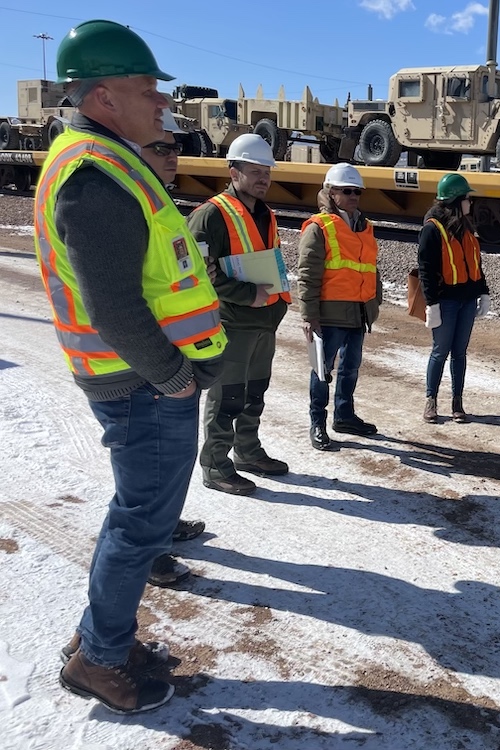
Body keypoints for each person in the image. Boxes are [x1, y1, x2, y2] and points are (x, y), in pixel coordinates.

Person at [34, 20, 226, 714]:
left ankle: (98, 637)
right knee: (141, 523)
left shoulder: (111, 161)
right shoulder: (95, 175)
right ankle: (100, 659)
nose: (161, 102)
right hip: (142, 384)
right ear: (103, 97)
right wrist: (174, 377)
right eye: (147, 88)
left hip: (146, 381)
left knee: (138, 516)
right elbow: (112, 304)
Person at [187, 133, 289, 495]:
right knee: (227, 396)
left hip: (263, 322)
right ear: (233, 171)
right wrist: (249, 295)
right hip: (231, 323)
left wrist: (276, 305)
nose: (263, 178)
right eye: (254, 171)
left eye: (267, 171)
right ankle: (215, 465)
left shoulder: (266, 214)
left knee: (254, 393)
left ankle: (248, 452)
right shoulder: (209, 216)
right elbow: (197, 276)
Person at [138, 108, 207, 586]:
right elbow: (120, 302)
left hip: (176, 360)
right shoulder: (130, 206)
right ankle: (151, 552)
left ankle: (163, 527)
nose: (173, 155)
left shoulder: (159, 202)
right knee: (148, 472)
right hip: (154, 367)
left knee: (173, 462)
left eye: (176, 147)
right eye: (161, 147)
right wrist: (170, 371)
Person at [298, 163, 382, 451]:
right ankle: (317, 422)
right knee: (322, 371)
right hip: (329, 315)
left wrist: (374, 302)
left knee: (350, 368)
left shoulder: (365, 226)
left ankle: (344, 416)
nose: (354, 196)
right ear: (331, 193)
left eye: (357, 191)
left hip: (358, 312)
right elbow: (307, 275)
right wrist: (309, 316)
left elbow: (371, 268)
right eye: (347, 191)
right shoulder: (318, 228)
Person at [417, 173, 490, 423]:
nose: (471, 202)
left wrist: (484, 292)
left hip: (467, 301)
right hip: (445, 302)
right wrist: (431, 304)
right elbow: (426, 269)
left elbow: (476, 264)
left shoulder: (467, 228)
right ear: (456, 201)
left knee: (460, 352)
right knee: (440, 351)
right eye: (468, 198)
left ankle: (457, 403)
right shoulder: (432, 230)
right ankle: (431, 402)